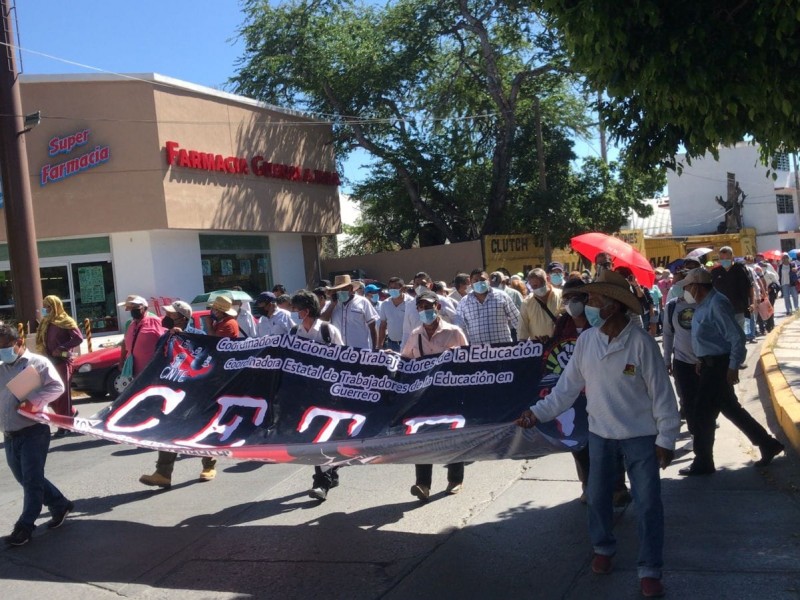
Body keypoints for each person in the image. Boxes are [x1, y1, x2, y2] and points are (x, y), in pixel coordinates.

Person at [516, 270, 680, 598]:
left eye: (593, 300)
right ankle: (603, 548)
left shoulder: (641, 344)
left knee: (648, 504)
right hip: (600, 435)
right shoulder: (587, 342)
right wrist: (537, 413)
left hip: (640, 437)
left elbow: (663, 395)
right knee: (598, 498)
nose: (587, 305)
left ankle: (649, 568)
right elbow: (565, 390)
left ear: (614, 307)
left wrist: (666, 439)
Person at [675, 268, 785, 475]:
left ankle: (704, 461)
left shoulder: (717, 303)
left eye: (688, 286)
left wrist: (733, 366)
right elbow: (710, 337)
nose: (686, 290)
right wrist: (702, 358)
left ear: (697, 287)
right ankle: (767, 444)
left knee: (702, 413)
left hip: (719, 366)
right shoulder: (705, 303)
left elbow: (736, 337)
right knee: (728, 409)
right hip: (710, 363)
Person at [1, 323, 74, 546]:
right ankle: (60, 504)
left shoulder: (37, 363)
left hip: (34, 431)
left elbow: (57, 387)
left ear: (19, 342)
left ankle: (25, 527)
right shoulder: (2, 366)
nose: (2, 351)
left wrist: (32, 401)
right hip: (11, 434)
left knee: (32, 481)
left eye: (5, 346)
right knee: (26, 478)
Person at [139, 301, 217, 487]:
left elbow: (208, 358)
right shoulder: (166, 336)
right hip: (172, 389)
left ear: (183, 318)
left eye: (172, 314)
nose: (167, 317)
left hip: (194, 391)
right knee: (168, 429)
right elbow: (158, 356)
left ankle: (209, 465)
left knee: (199, 428)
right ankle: (163, 473)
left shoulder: (198, 335)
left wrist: (184, 338)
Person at [401, 290, 468, 501]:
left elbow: (468, 362)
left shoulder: (454, 332)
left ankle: (455, 479)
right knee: (421, 438)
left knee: (452, 436)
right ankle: (423, 484)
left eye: (428, 307)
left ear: (437, 307)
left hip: (450, 395)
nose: (424, 311)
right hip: (423, 397)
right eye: (420, 307)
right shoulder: (415, 334)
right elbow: (405, 361)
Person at [288, 291, 345, 502]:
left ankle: (321, 482)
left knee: (323, 436)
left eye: (297, 309)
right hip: (305, 395)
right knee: (314, 437)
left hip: (328, 393)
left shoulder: (328, 331)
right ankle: (331, 473)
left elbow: (343, 361)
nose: (294, 313)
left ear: (307, 310)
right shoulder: (294, 332)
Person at [34, 295, 83, 438]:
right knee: (50, 395)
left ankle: (65, 425)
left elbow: (78, 338)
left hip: (62, 361)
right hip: (49, 361)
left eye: (48, 307)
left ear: (55, 306)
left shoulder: (66, 321)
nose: (46, 310)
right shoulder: (46, 322)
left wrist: (62, 347)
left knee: (62, 394)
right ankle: (71, 413)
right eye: (44, 307)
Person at [456, 270, 519, 344]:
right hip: (479, 352)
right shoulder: (464, 302)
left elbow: (517, 321)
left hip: (503, 350)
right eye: (476, 280)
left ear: (488, 280)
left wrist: (523, 342)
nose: (479, 282)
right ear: (471, 282)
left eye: (482, 280)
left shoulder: (502, 296)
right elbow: (459, 327)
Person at [711, 246, 755, 342]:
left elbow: (750, 287)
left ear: (732, 257)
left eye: (727, 258)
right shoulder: (715, 272)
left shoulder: (741, 269)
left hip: (739, 309)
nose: (724, 260)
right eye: (722, 258)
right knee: (725, 337)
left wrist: (752, 303)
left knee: (739, 336)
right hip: (722, 311)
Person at [326, 275, 379, 349]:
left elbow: (372, 327)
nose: (340, 292)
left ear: (351, 289)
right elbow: (322, 321)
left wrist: (374, 349)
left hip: (359, 351)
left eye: (344, 289)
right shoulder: (332, 304)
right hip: (338, 351)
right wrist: (332, 305)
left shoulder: (363, 302)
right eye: (338, 290)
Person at [119, 296, 165, 378]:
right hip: (135, 371)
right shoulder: (131, 324)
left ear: (145, 308)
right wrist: (122, 361)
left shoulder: (154, 321)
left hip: (152, 371)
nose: (133, 310)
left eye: (136, 307)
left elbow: (167, 342)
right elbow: (125, 343)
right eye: (131, 308)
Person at [517, 268, 561, 341]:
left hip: (560, 345)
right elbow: (522, 330)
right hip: (539, 348)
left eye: (542, 284)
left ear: (547, 279)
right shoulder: (527, 303)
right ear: (530, 285)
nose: (539, 288)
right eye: (534, 286)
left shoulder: (561, 296)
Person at [378, 277, 410, 351]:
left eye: (395, 288)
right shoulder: (385, 304)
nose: (392, 290)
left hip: (408, 344)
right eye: (391, 288)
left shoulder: (411, 302)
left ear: (402, 288)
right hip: (391, 344)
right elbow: (383, 325)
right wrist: (380, 345)